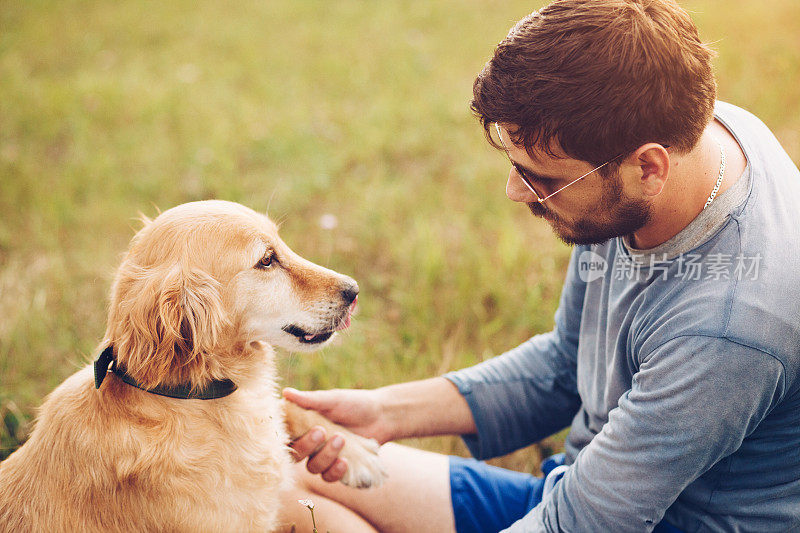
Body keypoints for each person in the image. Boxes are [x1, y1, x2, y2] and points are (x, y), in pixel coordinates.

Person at [278, 1, 800, 531]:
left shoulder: (732, 326)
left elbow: (589, 520)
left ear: (648, 167)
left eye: (545, 179)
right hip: (579, 489)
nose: (515, 191)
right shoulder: (688, 136)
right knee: (284, 481)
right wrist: (386, 412)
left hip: (625, 519)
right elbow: (566, 364)